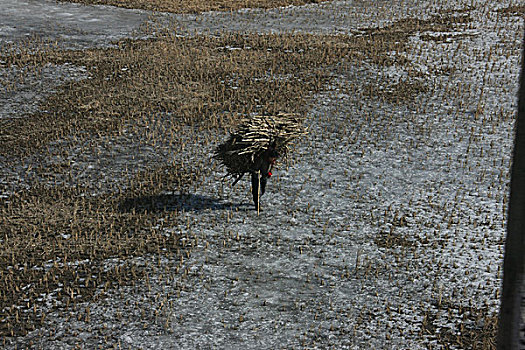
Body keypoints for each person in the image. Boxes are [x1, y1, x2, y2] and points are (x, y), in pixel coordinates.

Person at [251, 146, 279, 211]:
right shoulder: (261, 159)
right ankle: (257, 205)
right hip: (257, 177)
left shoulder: (272, 161)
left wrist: (269, 173)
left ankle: (258, 200)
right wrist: (257, 174)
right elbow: (255, 168)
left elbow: (270, 168)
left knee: (262, 190)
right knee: (257, 191)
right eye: (272, 158)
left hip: (264, 176)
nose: (274, 160)